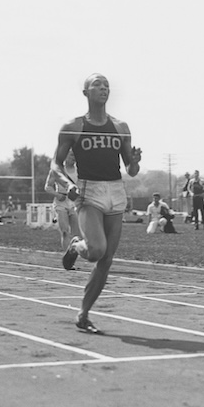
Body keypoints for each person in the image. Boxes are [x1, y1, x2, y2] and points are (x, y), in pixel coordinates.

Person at [52, 73, 141, 335]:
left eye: (106, 86)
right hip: (87, 190)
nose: (103, 88)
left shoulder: (121, 127)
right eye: (97, 85)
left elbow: (131, 170)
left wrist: (135, 161)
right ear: (85, 92)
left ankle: (83, 314)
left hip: (116, 191)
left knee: (106, 260)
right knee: (96, 250)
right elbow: (55, 164)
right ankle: (77, 245)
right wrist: (68, 184)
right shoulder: (73, 126)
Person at [44, 149, 81, 252]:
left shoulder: (80, 170)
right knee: (65, 232)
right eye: (70, 156)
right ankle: (67, 255)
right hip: (61, 202)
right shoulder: (57, 171)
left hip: (74, 202)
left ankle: (73, 255)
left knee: (77, 234)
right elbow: (48, 187)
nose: (72, 159)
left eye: (74, 156)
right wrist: (57, 195)